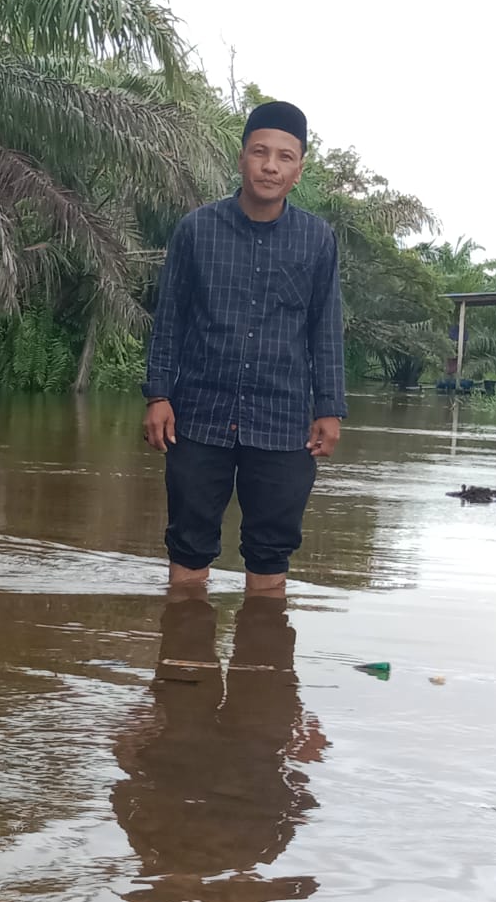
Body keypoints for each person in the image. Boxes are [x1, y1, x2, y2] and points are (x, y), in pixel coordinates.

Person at [142, 100, 346, 591]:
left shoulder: (317, 240)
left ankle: (264, 663)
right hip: (198, 416)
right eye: (260, 152)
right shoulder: (197, 230)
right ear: (241, 158)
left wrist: (330, 409)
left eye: (284, 156)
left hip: (283, 421)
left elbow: (325, 327)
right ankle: (184, 660)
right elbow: (170, 319)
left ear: (299, 168)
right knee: (188, 541)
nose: (270, 166)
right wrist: (158, 395)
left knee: (271, 550)